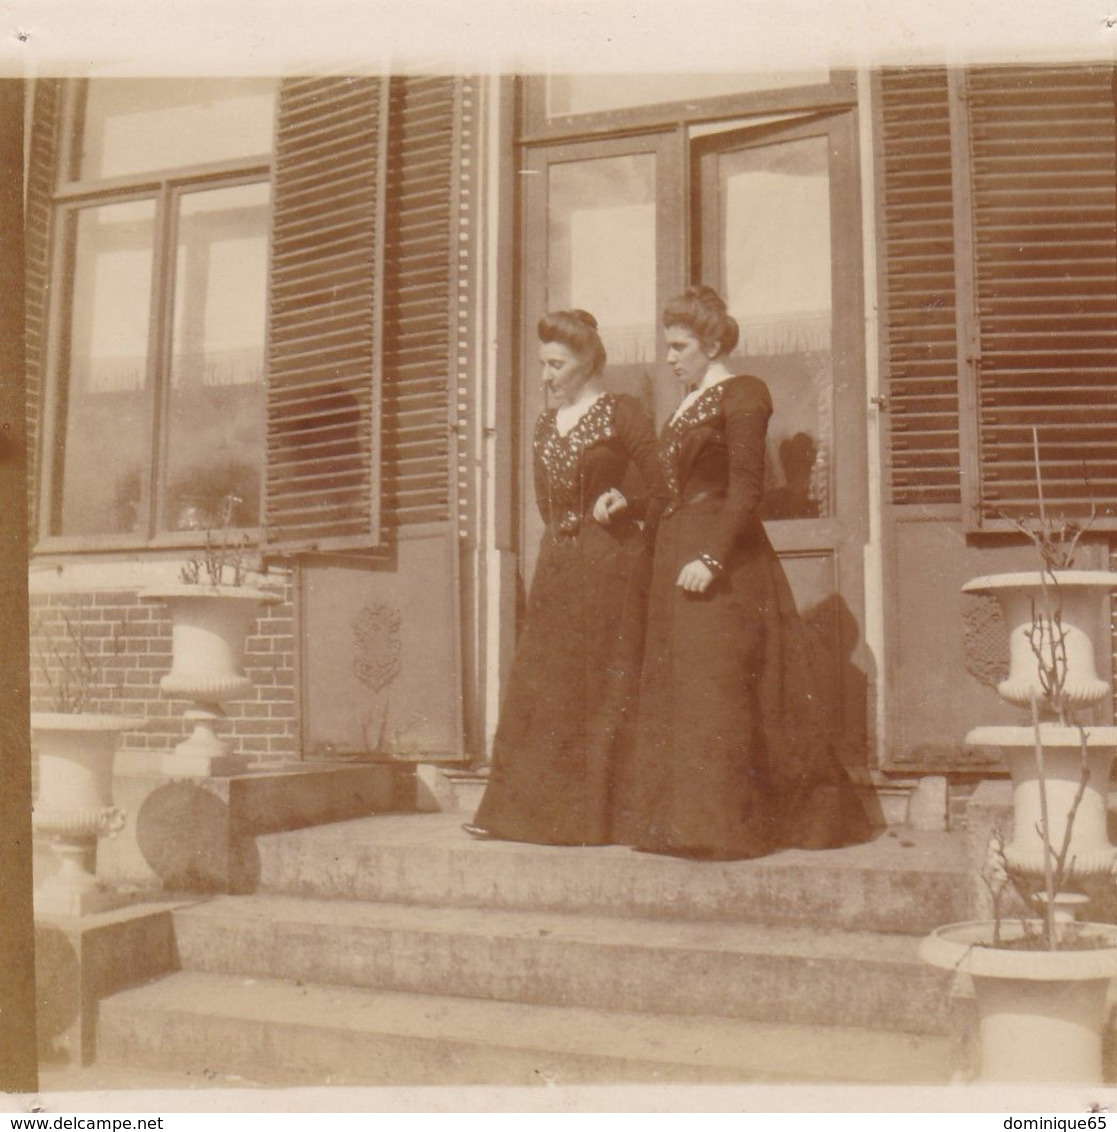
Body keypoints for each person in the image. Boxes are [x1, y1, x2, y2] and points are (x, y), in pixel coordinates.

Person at [619, 285, 869, 859]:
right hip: (674, 554)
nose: (671, 357)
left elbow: (748, 488)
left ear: (711, 342)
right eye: (667, 346)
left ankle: (725, 827)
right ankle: (683, 826)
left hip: (722, 561)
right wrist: (630, 507)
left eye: (680, 346)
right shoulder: (683, 405)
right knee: (684, 690)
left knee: (718, 688)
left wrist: (711, 559)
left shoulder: (745, 393)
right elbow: (670, 489)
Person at [468, 309, 668, 846]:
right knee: (546, 684)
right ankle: (527, 816)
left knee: (605, 683)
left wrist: (625, 501)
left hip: (612, 566)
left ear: (587, 363)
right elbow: (545, 503)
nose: (546, 376)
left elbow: (664, 483)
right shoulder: (542, 424)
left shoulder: (622, 412)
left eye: (556, 365)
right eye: (542, 365)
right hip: (558, 566)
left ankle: (600, 819)